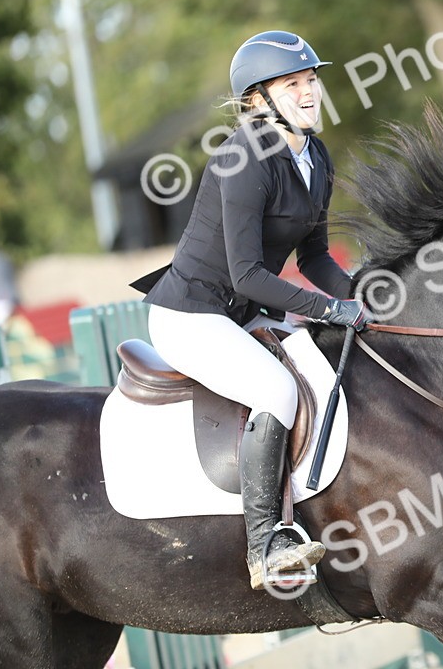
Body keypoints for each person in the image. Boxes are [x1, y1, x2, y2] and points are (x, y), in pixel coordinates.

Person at [131, 30, 369, 589]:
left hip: (239, 312)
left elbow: (314, 257)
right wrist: (329, 310)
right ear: (259, 99)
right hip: (191, 315)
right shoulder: (244, 157)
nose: (309, 92)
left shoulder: (315, 156)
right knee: (277, 391)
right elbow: (249, 276)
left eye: (311, 79)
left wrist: (358, 295)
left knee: (321, 365)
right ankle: (265, 544)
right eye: (292, 84)